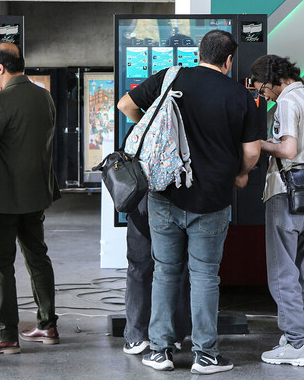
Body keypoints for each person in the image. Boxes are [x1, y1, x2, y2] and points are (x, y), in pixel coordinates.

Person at [118, 29, 261, 374]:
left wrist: (154, 135)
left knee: (165, 272)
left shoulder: (171, 77)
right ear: (229, 61)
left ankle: (160, 351)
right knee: (205, 275)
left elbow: (126, 105)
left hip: (164, 193)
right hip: (212, 198)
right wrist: (240, 174)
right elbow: (252, 151)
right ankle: (205, 354)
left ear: (199, 53)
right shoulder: (240, 95)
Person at [0, 42, 61, 355]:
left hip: (3, 201)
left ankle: (6, 334)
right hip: (37, 194)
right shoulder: (44, 96)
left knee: (0, 265)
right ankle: (48, 325)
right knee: (38, 258)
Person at [249, 55, 304, 367]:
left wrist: (260, 143)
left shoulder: (286, 101)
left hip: (284, 191)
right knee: (301, 271)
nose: (263, 95)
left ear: (272, 81)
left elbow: (287, 150)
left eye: (262, 89)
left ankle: (295, 343)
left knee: (282, 272)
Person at [122, 196, 191, 356]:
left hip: (143, 199)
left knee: (140, 266)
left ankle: (137, 335)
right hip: (182, 197)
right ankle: (173, 333)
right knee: (177, 267)